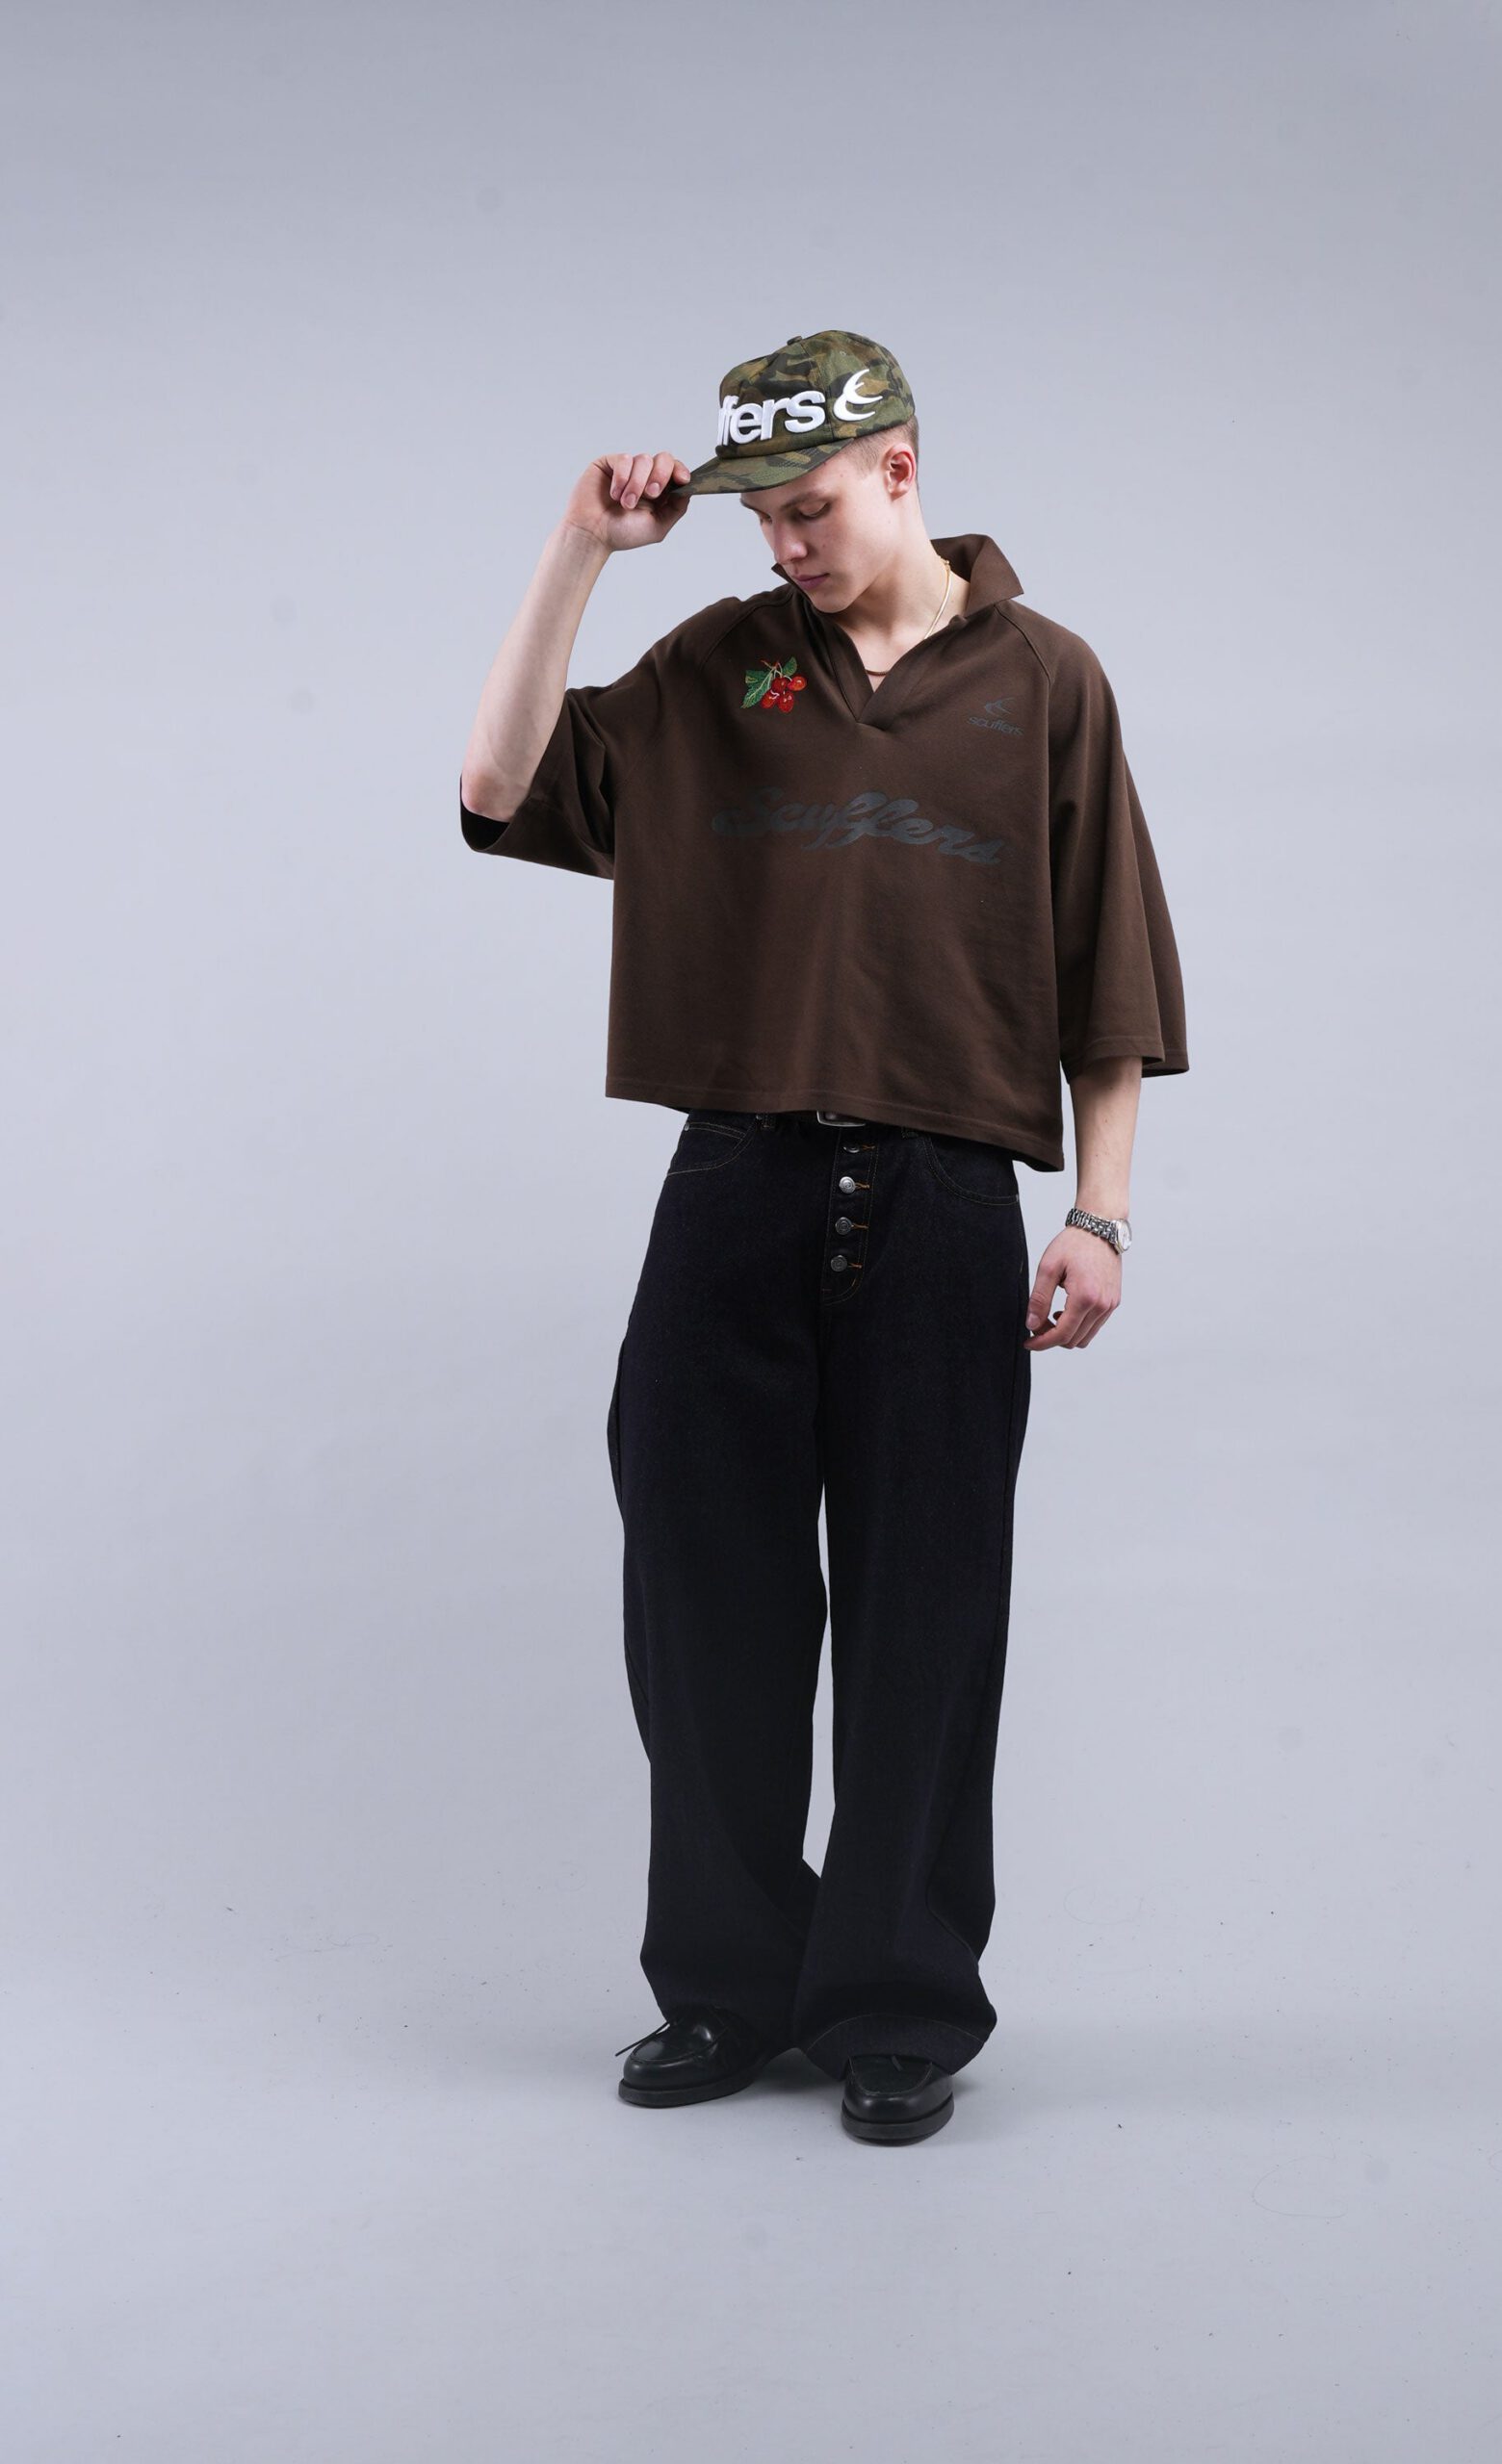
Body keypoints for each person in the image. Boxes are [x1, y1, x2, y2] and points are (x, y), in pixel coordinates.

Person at [458, 329, 1189, 2145]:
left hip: (944, 1200)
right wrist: (577, 552)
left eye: (810, 509)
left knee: (928, 1619)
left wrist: (1100, 1211)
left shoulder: (1048, 679)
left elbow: (1107, 970)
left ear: (902, 468)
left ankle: (896, 2004)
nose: (786, 547)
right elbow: (497, 786)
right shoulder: (723, 664)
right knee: (700, 1604)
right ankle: (728, 1989)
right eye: (760, 521)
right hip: (737, 1186)